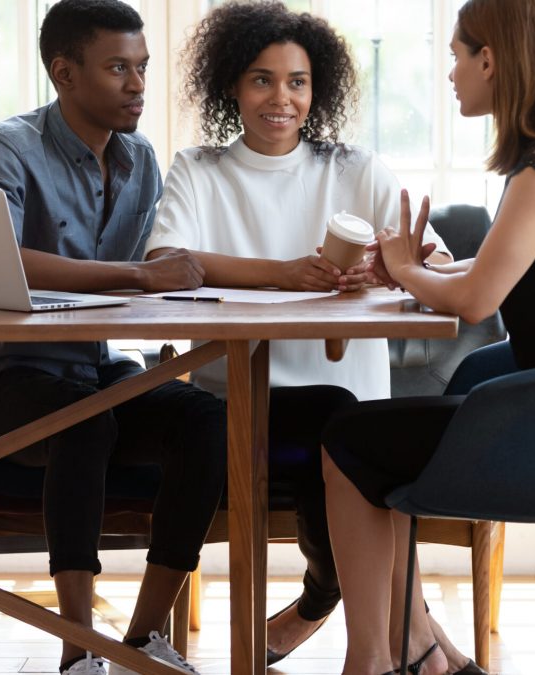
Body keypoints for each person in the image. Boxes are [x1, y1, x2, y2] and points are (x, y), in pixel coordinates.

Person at [320, 0, 535, 673]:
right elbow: (491, 269)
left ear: (490, 59)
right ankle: (419, 651)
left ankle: (372, 659)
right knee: (380, 444)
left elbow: (475, 300)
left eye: (456, 56)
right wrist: (421, 270)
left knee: (347, 440)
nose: (451, 73)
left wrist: (411, 269)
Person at [145, 0, 451, 664]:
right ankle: (414, 642)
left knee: (351, 435)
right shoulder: (199, 170)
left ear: (319, 89)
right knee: (345, 440)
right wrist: (281, 274)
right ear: (231, 84)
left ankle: (398, 638)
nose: (280, 97)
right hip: (238, 405)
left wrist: (389, 267)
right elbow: (165, 264)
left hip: (352, 406)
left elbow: (440, 261)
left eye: (297, 81)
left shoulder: (354, 169)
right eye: (261, 79)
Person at [0, 2, 218, 674]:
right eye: (118, 67)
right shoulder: (7, 147)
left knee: (208, 420)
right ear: (64, 73)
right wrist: (136, 275)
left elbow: (161, 267)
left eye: (142, 67)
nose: (137, 84)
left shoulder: (141, 160)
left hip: (95, 367)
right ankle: (78, 650)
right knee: (85, 422)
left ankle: (143, 637)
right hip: (2, 379)